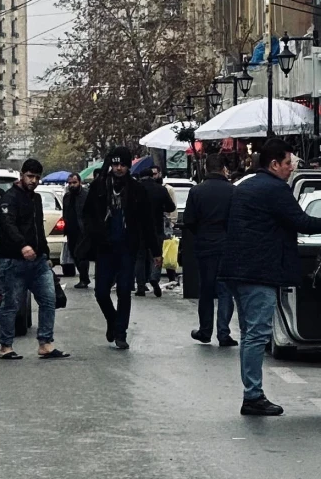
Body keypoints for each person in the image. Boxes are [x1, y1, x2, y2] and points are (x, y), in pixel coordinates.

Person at [222, 136, 321, 417]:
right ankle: (253, 395)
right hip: (259, 271)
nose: (290, 169)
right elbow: (303, 223)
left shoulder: (245, 186)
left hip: (239, 269)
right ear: (274, 164)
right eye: (287, 163)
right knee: (257, 334)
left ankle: (252, 392)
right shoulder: (274, 189)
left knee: (250, 333)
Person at [0, 157, 66, 361]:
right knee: (11, 304)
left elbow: (37, 230)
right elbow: (8, 225)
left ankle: (45, 343)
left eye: (36, 177)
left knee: (48, 300)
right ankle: (6, 346)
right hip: (13, 261)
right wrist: (22, 245)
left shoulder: (35, 199)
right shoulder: (9, 198)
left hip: (38, 262)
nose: (33, 181)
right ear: (21, 175)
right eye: (30, 176)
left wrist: (45, 255)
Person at [83, 150, 139, 350]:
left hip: (127, 249)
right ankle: (113, 320)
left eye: (122, 165)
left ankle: (120, 333)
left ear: (128, 166)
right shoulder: (99, 186)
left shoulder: (136, 188)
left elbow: (145, 220)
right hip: (105, 248)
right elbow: (87, 214)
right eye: (115, 165)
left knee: (124, 291)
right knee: (100, 293)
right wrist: (95, 233)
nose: (118, 168)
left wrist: (154, 250)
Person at [182, 155, 235, 345]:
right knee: (225, 290)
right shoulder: (232, 191)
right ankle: (223, 332)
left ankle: (205, 330)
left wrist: (201, 232)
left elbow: (188, 221)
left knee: (205, 289)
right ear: (223, 168)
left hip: (204, 245)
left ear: (206, 168)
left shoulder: (196, 191)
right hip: (227, 245)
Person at [132, 160, 176, 295]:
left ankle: (140, 286)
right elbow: (171, 207)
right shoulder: (161, 189)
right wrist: (160, 208)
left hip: (138, 229)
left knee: (139, 257)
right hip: (156, 227)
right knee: (156, 255)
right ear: (152, 176)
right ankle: (154, 277)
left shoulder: (135, 189)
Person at [60, 170, 89, 294]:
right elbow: (65, 212)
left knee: (82, 254)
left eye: (74, 182)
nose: (72, 185)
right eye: (70, 183)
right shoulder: (67, 196)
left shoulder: (86, 195)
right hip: (71, 230)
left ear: (80, 182)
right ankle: (83, 277)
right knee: (74, 254)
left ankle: (84, 278)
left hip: (83, 230)